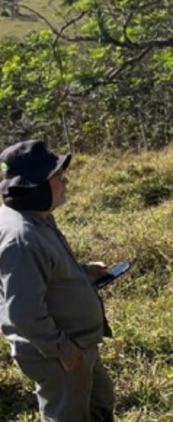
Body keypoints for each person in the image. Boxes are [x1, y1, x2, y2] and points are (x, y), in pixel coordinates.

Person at [0, 140, 115, 421]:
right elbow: (24, 314)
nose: (65, 181)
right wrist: (64, 352)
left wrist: (85, 273)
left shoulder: (38, 217)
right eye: (57, 176)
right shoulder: (22, 239)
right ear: (35, 186)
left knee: (100, 404)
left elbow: (47, 274)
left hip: (76, 345)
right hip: (59, 354)